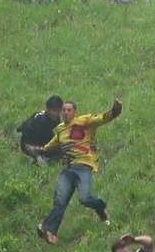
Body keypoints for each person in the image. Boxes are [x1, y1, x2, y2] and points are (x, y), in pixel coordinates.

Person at [32, 99, 123, 244]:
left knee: (85, 198)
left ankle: (101, 208)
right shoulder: (61, 129)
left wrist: (114, 111)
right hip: (68, 169)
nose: (65, 112)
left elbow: (101, 118)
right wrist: (41, 149)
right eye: (64, 110)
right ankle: (48, 230)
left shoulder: (84, 121)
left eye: (69, 110)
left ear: (75, 112)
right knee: (60, 200)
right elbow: (53, 143)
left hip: (83, 166)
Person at [17, 95, 65, 165]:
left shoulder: (55, 118)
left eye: (58, 111)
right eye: (54, 110)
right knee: (59, 152)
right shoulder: (41, 121)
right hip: (28, 144)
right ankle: (37, 158)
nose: (56, 113)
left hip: (39, 140)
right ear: (48, 109)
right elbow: (22, 128)